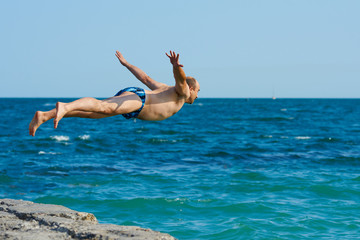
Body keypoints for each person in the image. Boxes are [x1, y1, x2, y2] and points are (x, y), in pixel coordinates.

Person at [29, 50, 200, 136]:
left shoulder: (165, 88)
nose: (197, 96)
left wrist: (127, 64)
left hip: (136, 103)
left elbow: (146, 78)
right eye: (197, 91)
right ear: (191, 89)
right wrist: (176, 67)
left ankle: (44, 115)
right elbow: (181, 79)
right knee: (103, 107)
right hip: (140, 101)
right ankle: (65, 106)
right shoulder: (183, 92)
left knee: (94, 114)